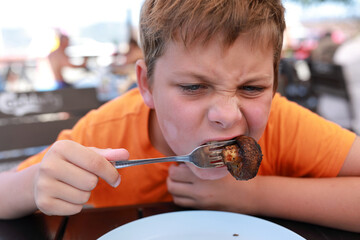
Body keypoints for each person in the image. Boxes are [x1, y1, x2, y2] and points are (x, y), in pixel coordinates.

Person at [0, 0, 359, 233]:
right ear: (146, 85)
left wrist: (255, 195)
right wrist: (34, 185)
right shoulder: (108, 132)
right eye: (193, 87)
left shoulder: (283, 123)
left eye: (251, 88)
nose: (226, 115)